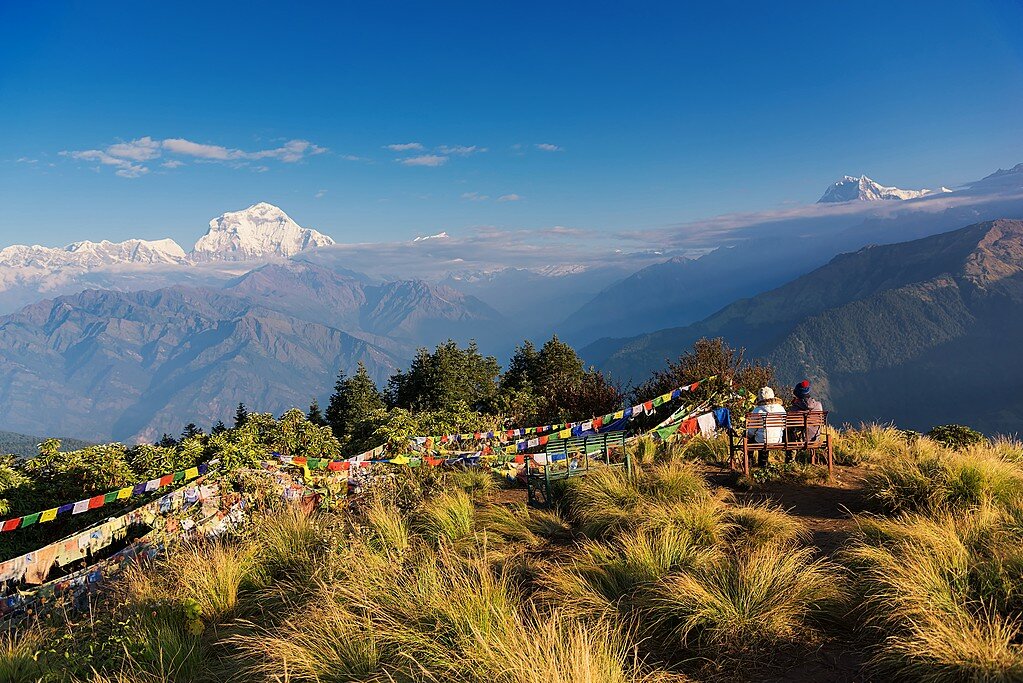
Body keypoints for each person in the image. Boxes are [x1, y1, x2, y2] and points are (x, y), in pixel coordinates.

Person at [748, 386, 785, 467]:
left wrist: (748, 435)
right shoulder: (781, 409)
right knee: (765, 437)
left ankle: (749, 463)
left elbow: (751, 430)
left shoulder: (757, 410)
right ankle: (763, 464)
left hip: (762, 440)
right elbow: (783, 426)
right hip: (778, 439)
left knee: (752, 439)